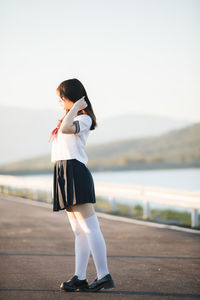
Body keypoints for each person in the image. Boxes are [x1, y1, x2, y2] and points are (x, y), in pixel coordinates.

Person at [48, 78, 115, 292]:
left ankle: (104, 275)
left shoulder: (83, 119)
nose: (59, 102)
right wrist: (71, 108)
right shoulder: (69, 117)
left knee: (90, 227)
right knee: (79, 230)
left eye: (62, 98)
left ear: (71, 97)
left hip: (75, 172)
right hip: (63, 172)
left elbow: (67, 129)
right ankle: (80, 276)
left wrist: (77, 106)